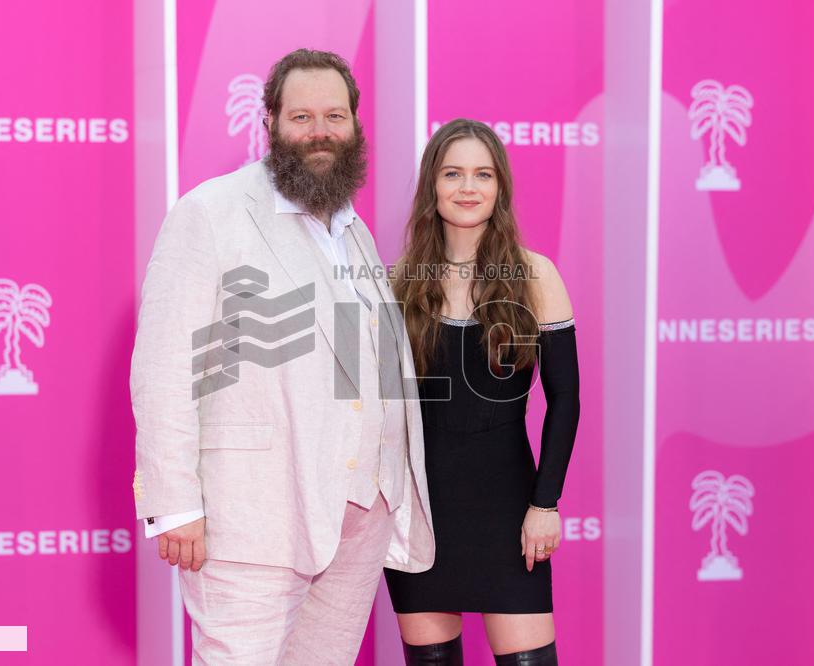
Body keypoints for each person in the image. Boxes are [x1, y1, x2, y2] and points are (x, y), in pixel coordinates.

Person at [129, 48, 435, 664]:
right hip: (252, 515)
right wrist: (175, 503)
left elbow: (365, 361)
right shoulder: (208, 213)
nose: (319, 132)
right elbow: (162, 368)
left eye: (334, 116)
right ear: (270, 123)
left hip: (357, 520)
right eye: (301, 117)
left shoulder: (351, 227)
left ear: (355, 125)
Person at [383, 118, 581, 666]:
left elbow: (565, 400)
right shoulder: (398, 281)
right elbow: (376, 410)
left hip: (509, 510)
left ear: (500, 187)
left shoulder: (535, 276)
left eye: (482, 174)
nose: (468, 188)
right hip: (420, 510)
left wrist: (545, 503)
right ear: (432, 185)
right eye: (453, 173)